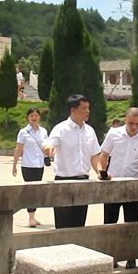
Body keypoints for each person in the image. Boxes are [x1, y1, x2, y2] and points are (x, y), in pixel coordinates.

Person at [99, 107, 138, 269]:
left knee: (131, 224)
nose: (134, 127)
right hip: (113, 185)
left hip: (133, 187)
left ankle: (131, 257)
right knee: (110, 223)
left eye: (137, 124)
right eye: (131, 123)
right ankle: (110, 256)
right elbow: (103, 156)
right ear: (125, 120)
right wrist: (103, 172)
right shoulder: (113, 134)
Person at [42, 94, 103, 229]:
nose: (88, 111)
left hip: (83, 183)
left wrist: (100, 171)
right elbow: (48, 144)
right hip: (64, 183)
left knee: (79, 225)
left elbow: (94, 156)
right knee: (63, 226)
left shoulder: (90, 131)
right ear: (73, 110)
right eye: (84, 108)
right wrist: (48, 149)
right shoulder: (61, 129)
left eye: (88, 108)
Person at [12, 107, 48, 228]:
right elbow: (19, 149)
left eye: (36, 115)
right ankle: (31, 217)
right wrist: (14, 165)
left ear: (39, 117)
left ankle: (33, 215)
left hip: (39, 165)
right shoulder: (23, 132)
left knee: (36, 191)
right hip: (27, 165)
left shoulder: (43, 131)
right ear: (27, 117)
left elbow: (46, 146)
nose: (34, 117)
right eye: (31, 115)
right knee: (29, 191)